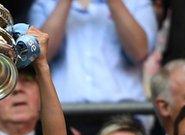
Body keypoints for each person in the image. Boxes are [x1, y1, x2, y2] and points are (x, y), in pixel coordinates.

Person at [29, 0, 157, 103]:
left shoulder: (137, 3)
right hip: (65, 110)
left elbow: (140, 52)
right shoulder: (46, 3)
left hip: (122, 109)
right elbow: (41, 53)